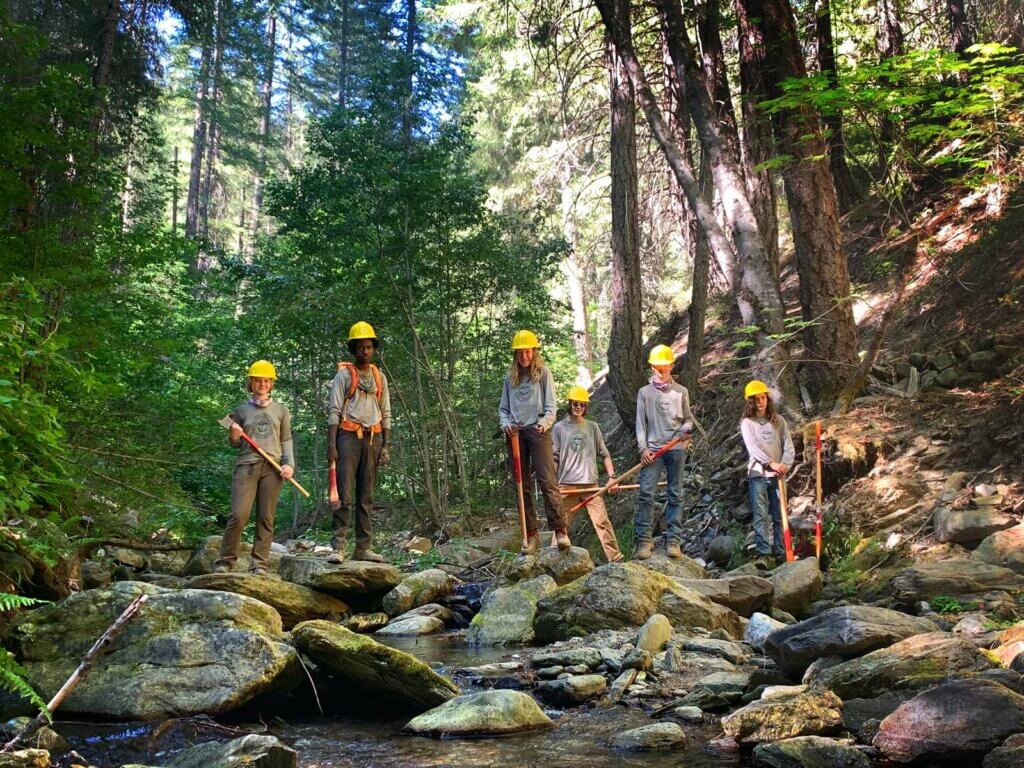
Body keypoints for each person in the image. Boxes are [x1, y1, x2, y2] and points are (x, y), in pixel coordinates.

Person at [216, 360, 294, 575]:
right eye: (258, 380)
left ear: (271, 384)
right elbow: (235, 443)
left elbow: (286, 440)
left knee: (266, 517)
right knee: (238, 514)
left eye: (266, 380)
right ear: (250, 383)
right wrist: (234, 436)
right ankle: (225, 562)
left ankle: (259, 564)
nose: (262, 384)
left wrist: (289, 465)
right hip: (246, 466)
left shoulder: (281, 410)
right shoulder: (241, 411)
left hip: (273, 467)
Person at [499, 329, 571, 555]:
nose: (524, 356)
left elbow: (551, 405)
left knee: (547, 480)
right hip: (516, 434)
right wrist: (505, 424)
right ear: (516, 355)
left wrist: (546, 422)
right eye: (520, 352)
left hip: (538, 431)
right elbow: (503, 409)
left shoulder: (543, 374)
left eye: (527, 351)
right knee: (523, 486)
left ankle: (560, 530)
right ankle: (530, 535)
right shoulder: (510, 379)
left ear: (534, 352)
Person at [326, 321, 391, 563]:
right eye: (361, 347)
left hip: (373, 438)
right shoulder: (343, 376)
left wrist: (386, 444)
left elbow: (386, 412)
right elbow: (333, 411)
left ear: (373, 349)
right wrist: (331, 446)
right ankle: (338, 546)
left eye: (369, 347)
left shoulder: (379, 377)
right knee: (344, 493)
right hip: (347, 437)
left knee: (366, 495)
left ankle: (363, 547)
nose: (365, 351)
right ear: (353, 349)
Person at [551, 385, 624, 563]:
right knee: (561, 525)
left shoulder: (592, 427)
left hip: (591, 484)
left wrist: (612, 478)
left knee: (602, 522)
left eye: (582, 404)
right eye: (576, 403)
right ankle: (551, 560)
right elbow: (554, 458)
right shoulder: (559, 428)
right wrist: (552, 484)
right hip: (567, 484)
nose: (579, 407)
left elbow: (605, 454)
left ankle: (616, 560)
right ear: (570, 404)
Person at [634, 344, 692, 560]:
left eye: (665, 365)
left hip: (676, 448)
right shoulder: (644, 393)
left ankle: (674, 539)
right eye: (657, 365)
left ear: (671, 365)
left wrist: (686, 430)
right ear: (652, 367)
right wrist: (643, 448)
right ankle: (644, 540)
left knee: (675, 493)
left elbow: (687, 419)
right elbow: (640, 423)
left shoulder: (681, 392)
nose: (661, 369)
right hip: (653, 451)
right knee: (646, 493)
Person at [740, 379, 795, 567]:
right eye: (755, 399)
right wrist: (771, 463)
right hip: (758, 475)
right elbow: (753, 449)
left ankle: (781, 551)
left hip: (778, 475)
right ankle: (763, 553)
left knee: (780, 515)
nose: (759, 402)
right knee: (761, 514)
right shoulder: (747, 423)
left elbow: (788, 445)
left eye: (762, 398)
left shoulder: (779, 421)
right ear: (750, 402)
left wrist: (784, 465)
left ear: (767, 399)